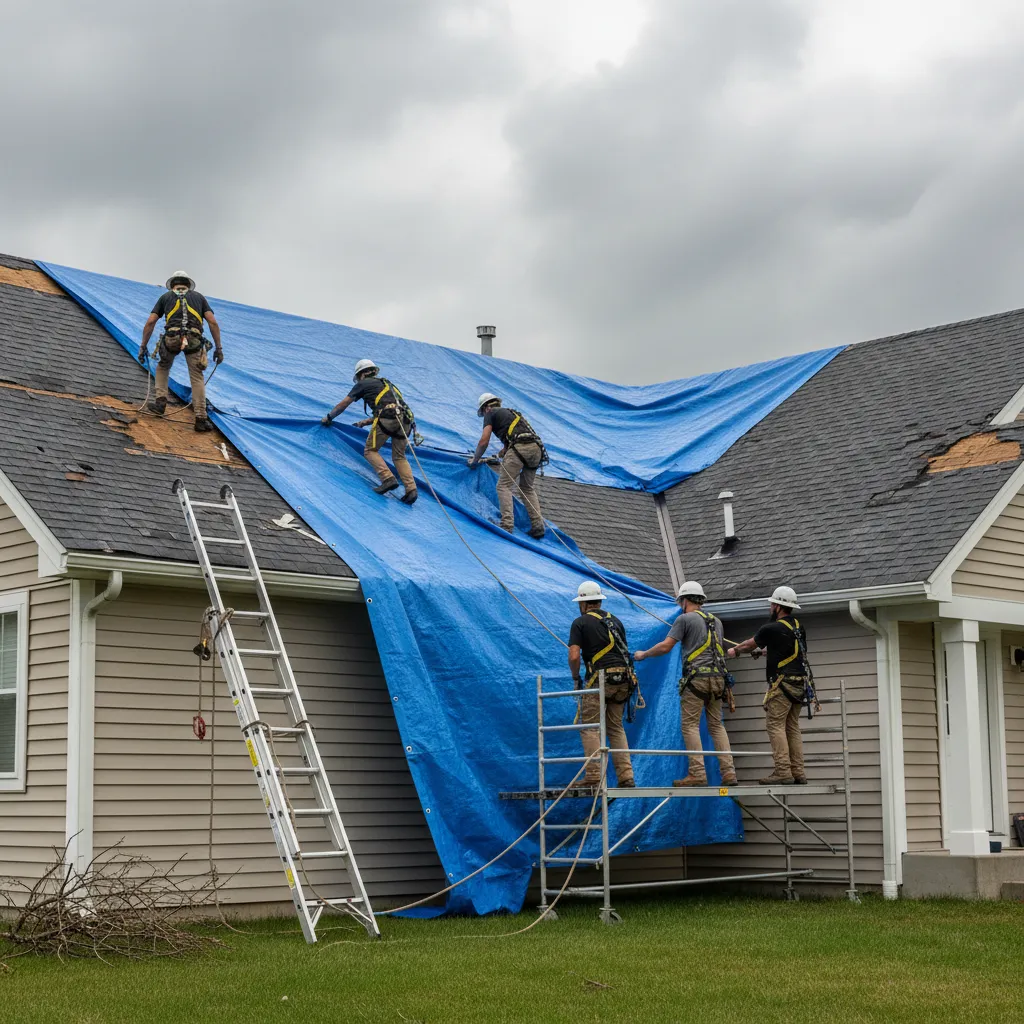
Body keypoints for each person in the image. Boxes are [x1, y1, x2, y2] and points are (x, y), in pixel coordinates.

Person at [634, 580, 737, 787]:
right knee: (716, 726)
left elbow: (665, 647)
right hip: (718, 680)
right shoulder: (716, 621)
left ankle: (697, 773)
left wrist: (643, 654)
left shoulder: (684, 620)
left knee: (690, 725)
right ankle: (729, 773)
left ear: (684, 600)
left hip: (696, 681)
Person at [727, 586, 811, 785]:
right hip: (799, 683)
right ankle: (798, 771)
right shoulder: (798, 626)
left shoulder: (771, 628)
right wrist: (766, 652)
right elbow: (789, 650)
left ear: (778, 606)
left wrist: (736, 650)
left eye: (772, 605)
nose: (770, 608)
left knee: (775, 725)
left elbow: (750, 644)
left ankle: (782, 771)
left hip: (781, 685)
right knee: (792, 726)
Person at [567, 581, 636, 788]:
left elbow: (573, 656)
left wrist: (576, 677)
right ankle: (626, 777)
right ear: (598, 600)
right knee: (615, 727)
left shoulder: (580, 622)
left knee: (589, 726)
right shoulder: (615, 621)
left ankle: (594, 775)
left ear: (583, 603)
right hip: (623, 679)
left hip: (600, 679)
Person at [321, 359, 418, 504]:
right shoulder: (389, 385)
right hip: (406, 422)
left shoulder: (363, 384)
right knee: (399, 456)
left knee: (370, 450)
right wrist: (364, 422)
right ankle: (411, 490)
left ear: (361, 374)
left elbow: (344, 404)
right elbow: (391, 407)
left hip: (387, 419)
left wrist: (329, 417)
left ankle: (388, 479)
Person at [138, 271, 223, 432]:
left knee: (163, 366)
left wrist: (143, 346)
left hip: (172, 337)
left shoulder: (165, 297)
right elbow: (212, 322)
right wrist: (218, 349)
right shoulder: (199, 298)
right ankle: (200, 418)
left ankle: (160, 402)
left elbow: (150, 322)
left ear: (172, 285)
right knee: (197, 377)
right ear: (188, 285)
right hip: (194, 340)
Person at [468, 393, 546, 539]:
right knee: (527, 488)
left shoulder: (490, 413)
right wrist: (500, 454)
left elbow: (483, 441)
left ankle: (506, 524)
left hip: (520, 447)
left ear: (486, 407)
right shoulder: (511, 414)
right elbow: (509, 445)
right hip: (536, 449)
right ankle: (538, 526)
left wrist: (475, 460)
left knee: (503, 486)